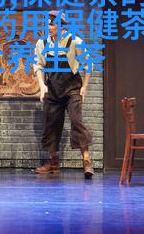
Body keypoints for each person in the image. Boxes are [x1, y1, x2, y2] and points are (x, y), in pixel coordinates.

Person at [34, 10, 94, 179]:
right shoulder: (42, 43)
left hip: (72, 88)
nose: (49, 27)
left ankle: (86, 161)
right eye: (47, 24)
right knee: (51, 124)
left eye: (52, 24)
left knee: (76, 121)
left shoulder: (75, 41)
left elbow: (88, 64)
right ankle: (53, 162)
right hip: (53, 89)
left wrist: (84, 87)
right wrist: (41, 85)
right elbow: (38, 65)